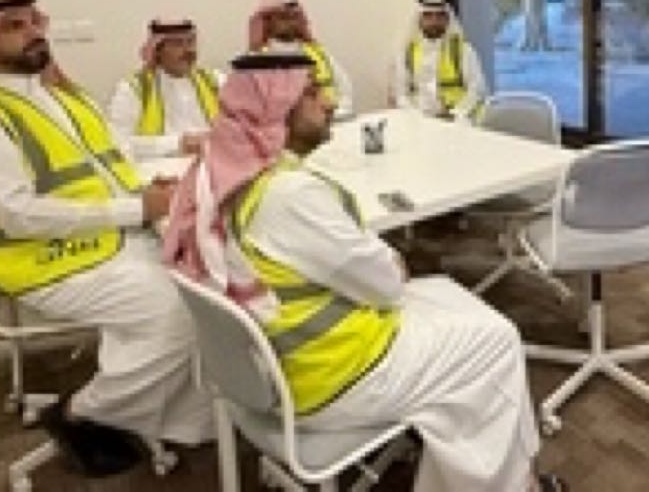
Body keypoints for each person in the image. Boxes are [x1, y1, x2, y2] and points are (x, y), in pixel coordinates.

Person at [164, 52, 565, 492]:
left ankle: (477, 470)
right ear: (277, 111)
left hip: (271, 365)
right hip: (331, 375)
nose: (330, 102)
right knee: (498, 339)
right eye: (312, 93)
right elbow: (388, 284)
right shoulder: (290, 194)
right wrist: (389, 260)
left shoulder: (220, 174)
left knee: (442, 293)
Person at [0, 0, 212, 476]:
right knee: (177, 313)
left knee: (207, 286)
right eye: (14, 26)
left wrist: (146, 190)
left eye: (34, 22)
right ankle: (83, 413)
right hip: (46, 263)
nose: (34, 32)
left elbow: (111, 161)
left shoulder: (62, 98)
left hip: (110, 240)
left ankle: (174, 417)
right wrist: (137, 207)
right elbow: (19, 214)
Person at [107, 17, 221, 160]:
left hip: (213, 165)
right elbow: (117, 142)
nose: (188, 50)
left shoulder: (214, 80)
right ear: (157, 50)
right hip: (157, 169)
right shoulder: (134, 88)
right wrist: (177, 144)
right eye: (177, 44)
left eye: (191, 42)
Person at [248, 0, 355, 119]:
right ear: (267, 22)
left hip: (332, 121)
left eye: (294, 17)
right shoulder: (256, 59)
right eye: (283, 17)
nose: (290, 22)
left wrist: (335, 113)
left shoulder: (317, 53)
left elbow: (344, 88)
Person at [392, 0, 487, 121]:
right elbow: (401, 94)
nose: (434, 21)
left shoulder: (463, 50)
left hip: (458, 119)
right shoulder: (407, 53)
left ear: (447, 19)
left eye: (440, 16)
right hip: (420, 120)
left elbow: (477, 89)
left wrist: (457, 114)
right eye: (428, 16)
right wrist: (415, 116)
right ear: (419, 19)